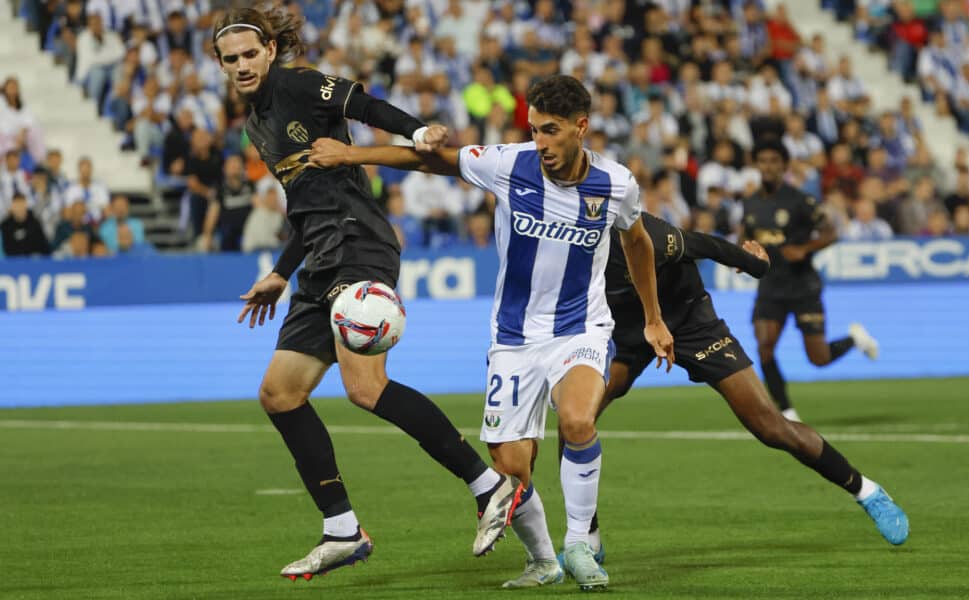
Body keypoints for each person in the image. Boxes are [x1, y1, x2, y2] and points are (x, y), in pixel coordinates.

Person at [309, 74, 675, 591]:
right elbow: (429, 160)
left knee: (576, 420)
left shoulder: (616, 184)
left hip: (581, 329)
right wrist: (351, 156)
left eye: (551, 131)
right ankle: (544, 560)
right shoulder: (509, 162)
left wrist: (653, 317)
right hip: (513, 337)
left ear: (581, 127)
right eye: (534, 130)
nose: (541, 143)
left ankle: (578, 545)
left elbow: (637, 243)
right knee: (511, 466)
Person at [212, 6, 519, 582]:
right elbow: (305, 206)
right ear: (222, 66)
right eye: (231, 60)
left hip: (359, 244)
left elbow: (362, 103)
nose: (242, 66)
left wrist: (417, 130)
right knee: (279, 393)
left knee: (365, 388)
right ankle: (342, 530)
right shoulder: (256, 124)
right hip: (318, 261)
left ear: (271, 52)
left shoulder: (299, 85)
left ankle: (490, 486)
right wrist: (281, 271)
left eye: (250, 54)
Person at [563, 211, 909, 566]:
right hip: (627, 333)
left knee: (770, 426)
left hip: (691, 323)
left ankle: (866, 491)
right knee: (574, 419)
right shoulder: (564, 249)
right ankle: (587, 539)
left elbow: (705, 244)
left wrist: (755, 265)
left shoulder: (642, 234)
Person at [741, 138, 879, 423]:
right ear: (757, 165)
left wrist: (803, 249)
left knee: (818, 358)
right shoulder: (751, 203)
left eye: (773, 162)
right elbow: (747, 236)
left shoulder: (800, 200)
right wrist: (742, 258)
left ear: (783, 166)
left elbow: (830, 233)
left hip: (802, 285)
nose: (767, 167)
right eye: (763, 161)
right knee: (764, 345)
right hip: (770, 285)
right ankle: (786, 411)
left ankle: (854, 339)